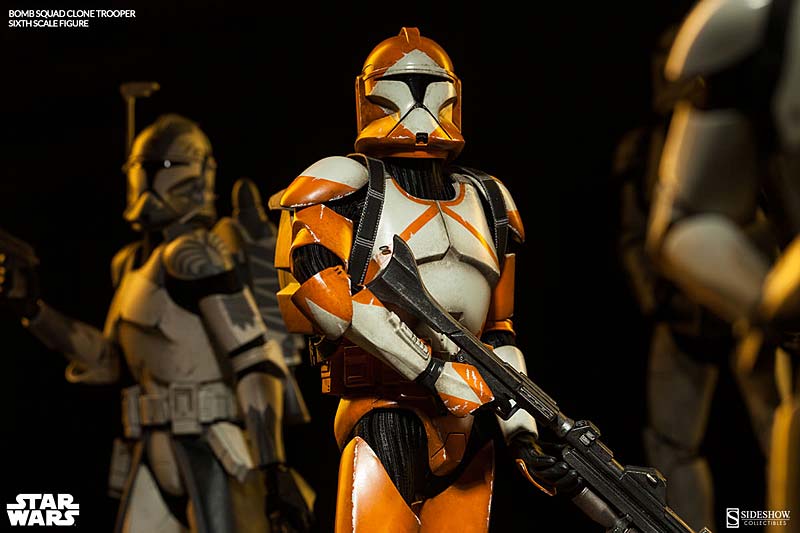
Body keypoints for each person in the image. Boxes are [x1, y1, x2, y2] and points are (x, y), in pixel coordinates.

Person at [269, 27, 580, 532]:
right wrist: (434, 372)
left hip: (471, 418)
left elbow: (500, 333)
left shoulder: (490, 200)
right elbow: (326, 297)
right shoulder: (346, 184)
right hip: (384, 408)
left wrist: (523, 436)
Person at [0, 113, 314, 533]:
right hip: (151, 449)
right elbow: (110, 361)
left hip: (213, 448)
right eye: (140, 166)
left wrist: (273, 467)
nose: (147, 177)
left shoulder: (195, 255)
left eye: (161, 166)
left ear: (198, 171)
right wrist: (34, 310)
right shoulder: (129, 262)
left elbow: (254, 358)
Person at [646, 1, 800, 531]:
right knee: (675, 440)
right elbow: (679, 224)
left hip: (741, 317)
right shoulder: (761, 24)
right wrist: (767, 304)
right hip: (708, 320)